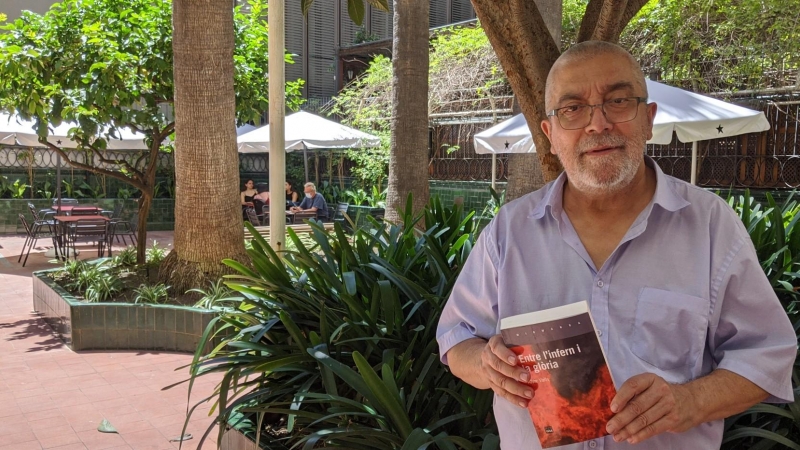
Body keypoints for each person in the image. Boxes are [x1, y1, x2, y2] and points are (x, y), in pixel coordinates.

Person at [436, 41, 795, 450]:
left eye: (618, 101)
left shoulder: (711, 227)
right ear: (550, 135)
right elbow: (456, 336)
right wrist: (487, 365)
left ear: (648, 119)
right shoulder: (508, 232)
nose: (597, 124)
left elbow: (768, 352)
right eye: (573, 108)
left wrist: (690, 401)